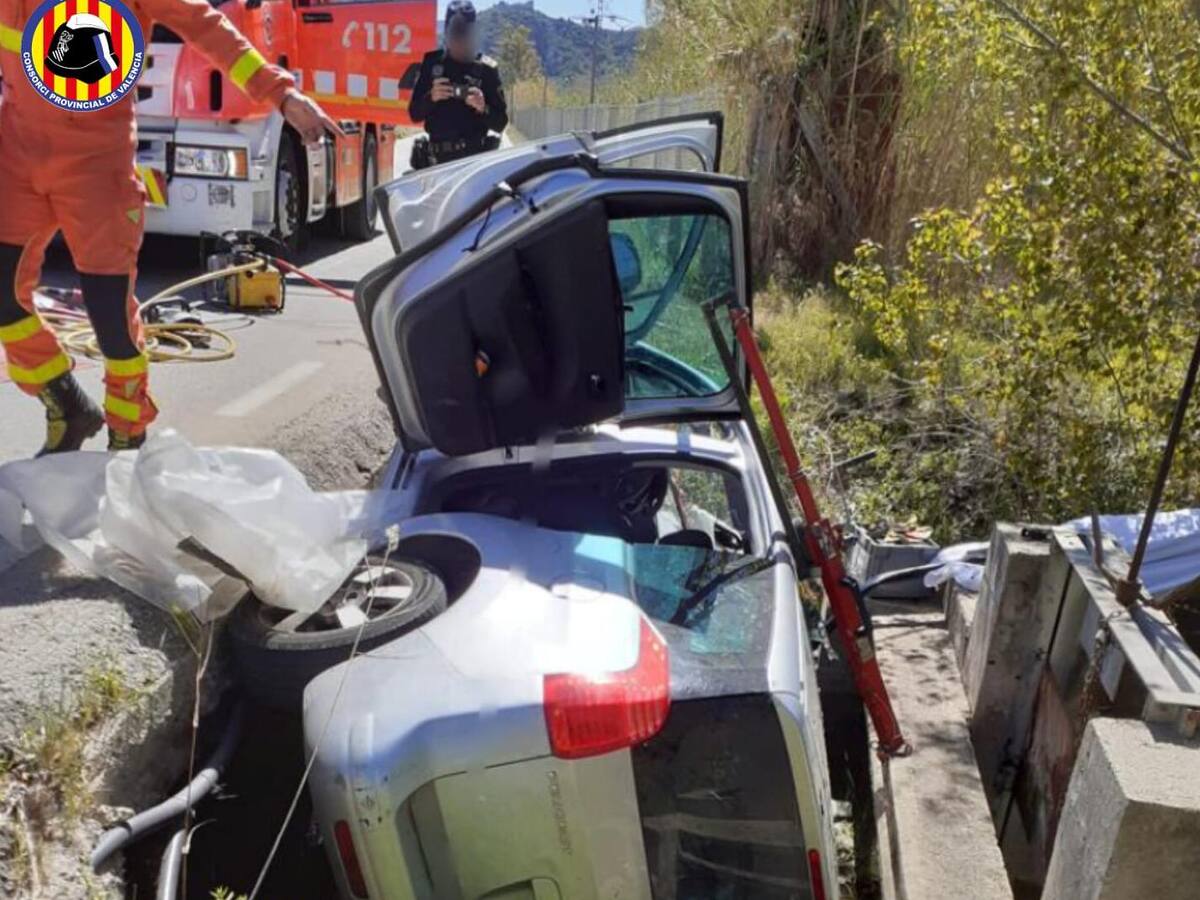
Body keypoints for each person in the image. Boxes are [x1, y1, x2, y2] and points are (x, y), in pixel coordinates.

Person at [0, 0, 340, 455]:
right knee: (2, 293)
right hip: (17, 157)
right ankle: (65, 402)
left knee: (109, 317)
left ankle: (127, 431)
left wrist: (281, 94)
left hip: (98, 166)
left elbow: (209, 27)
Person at [409, 0, 507, 169]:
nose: (459, 43)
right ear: (446, 33)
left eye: (464, 35)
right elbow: (414, 113)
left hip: (473, 165)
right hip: (436, 164)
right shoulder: (432, 64)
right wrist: (431, 97)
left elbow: (501, 123)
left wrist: (483, 107)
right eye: (454, 35)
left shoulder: (486, 69)